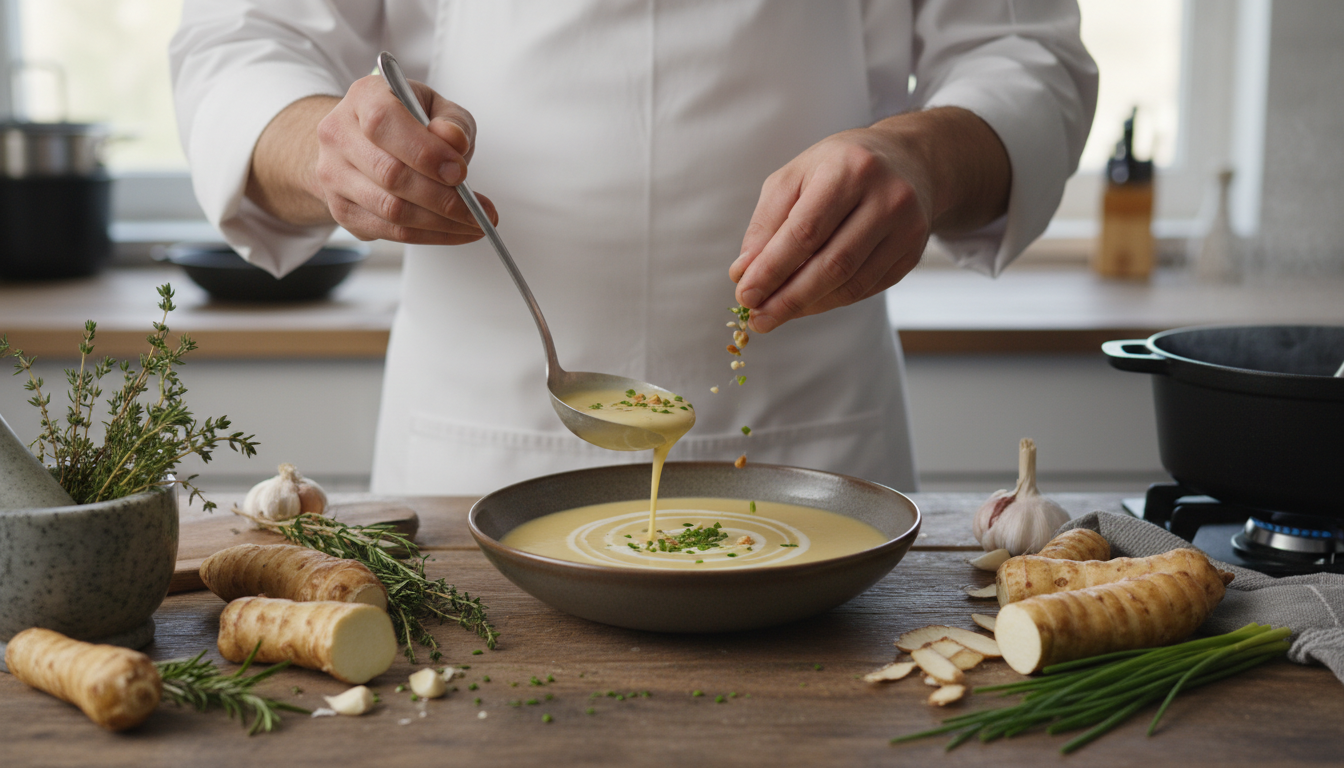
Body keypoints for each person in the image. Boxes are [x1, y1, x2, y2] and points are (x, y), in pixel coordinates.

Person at [171, 1, 1097, 495]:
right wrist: (325, 146)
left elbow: (1023, 54)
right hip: (474, 446)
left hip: (814, 445)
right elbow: (243, 36)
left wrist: (924, 157)